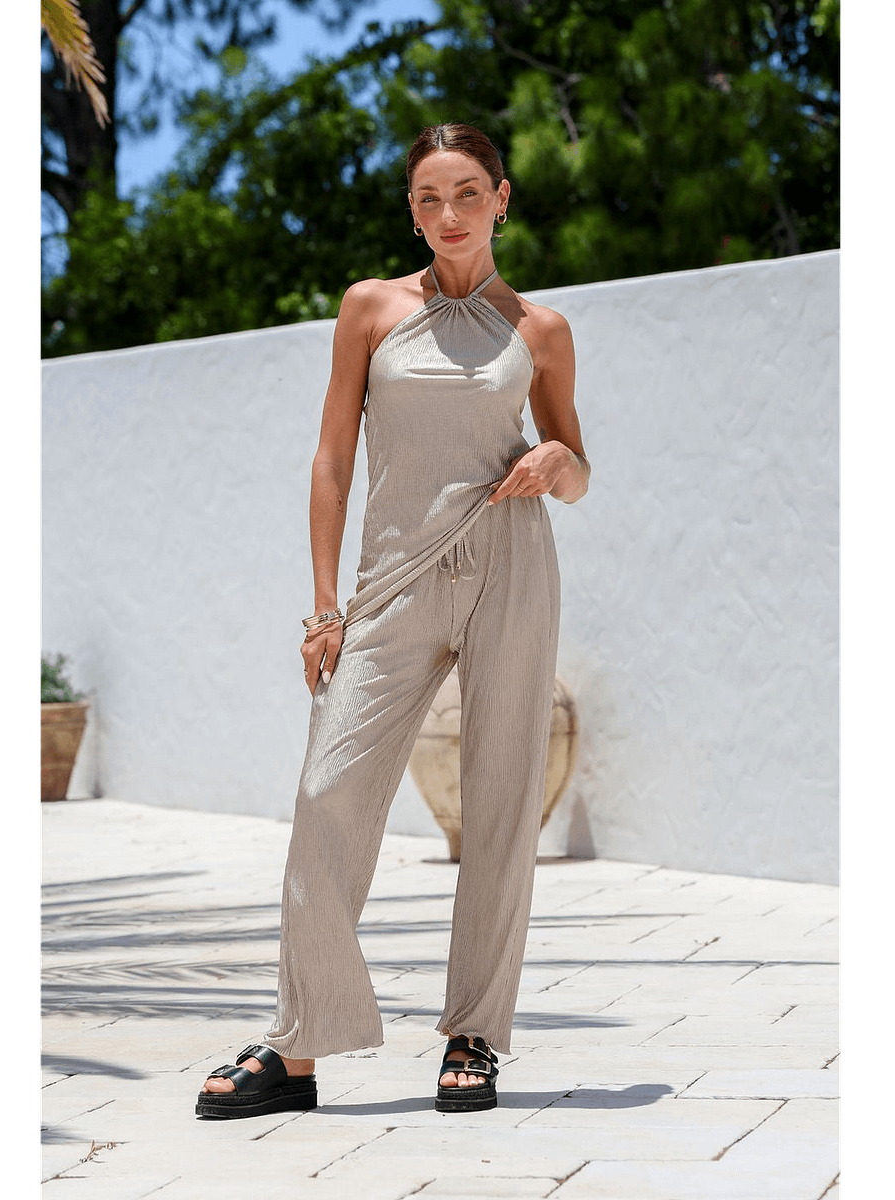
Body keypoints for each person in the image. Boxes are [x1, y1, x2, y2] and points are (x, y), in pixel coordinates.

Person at [197, 122, 590, 1120]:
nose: (448, 215)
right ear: (410, 211)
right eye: (427, 198)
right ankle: (298, 1048)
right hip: (393, 577)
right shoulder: (369, 309)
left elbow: (576, 468)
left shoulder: (539, 329)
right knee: (327, 792)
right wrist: (324, 605)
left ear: (501, 199)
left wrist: (556, 462)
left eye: (467, 194)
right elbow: (332, 457)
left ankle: (473, 1036)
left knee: (501, 802)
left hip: (509, 563)